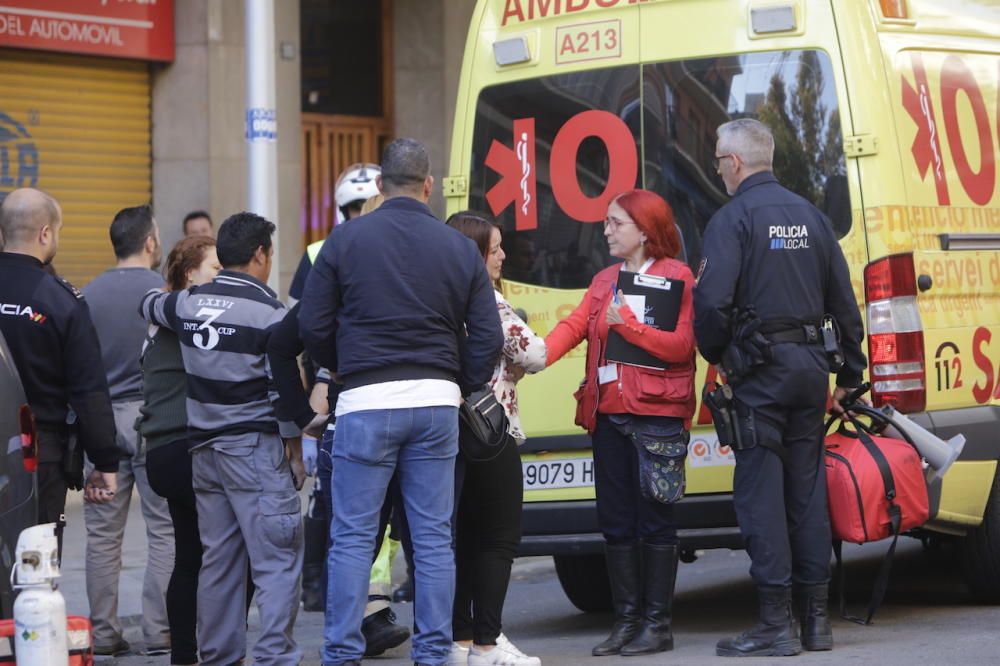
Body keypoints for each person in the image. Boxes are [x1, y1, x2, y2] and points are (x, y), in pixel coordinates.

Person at [299, 138, 504, 666]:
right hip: (436, 402)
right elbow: (487, 334)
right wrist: (459, 380)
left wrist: (340, 368)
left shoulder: (344, 241)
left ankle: (341, 654)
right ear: (429, 185)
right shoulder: (458, 247)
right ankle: (434, 655)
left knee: (351, 537)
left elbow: (312, 325)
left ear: (381, 186)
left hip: (365, 401)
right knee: (434, 539)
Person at [692, 118, 865, 657]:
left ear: (736, 163)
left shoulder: (733, 218)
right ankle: (816, 624)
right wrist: (850, 377)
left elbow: (711, 304)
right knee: (806, 497)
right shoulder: (811, 217)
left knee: (760, 499)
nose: (718, 167)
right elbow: (844, 302)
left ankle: (773, 625)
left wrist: (721, 355)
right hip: (809, 373)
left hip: (759, 379)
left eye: (719, 159)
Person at [141, 212, 307, 666]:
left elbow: (149, 304)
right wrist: (294, 449)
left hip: (204, 455)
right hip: (253, 453)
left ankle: (219, 658)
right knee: (276, 560)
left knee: (219, 563)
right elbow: (282, 389)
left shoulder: (189, 304)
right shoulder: (272, 316)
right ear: (260, 255)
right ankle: (274, 658)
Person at [545, 189, 696, 657]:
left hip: (657, 416)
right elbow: (574, 327)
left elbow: (681, 348)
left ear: (645, 231)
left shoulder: (679, 278)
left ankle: (657, 624)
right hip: (608, 414)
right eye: (607, 223)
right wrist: (532, 355)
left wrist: (627, 324)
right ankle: (627, 622)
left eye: (615, 223)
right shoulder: (604, 279)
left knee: (655, 519)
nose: (606, 230)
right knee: (615, 521)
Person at [445, 211, 546, 666]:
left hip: (445, 429)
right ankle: (489, 641)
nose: (503, 256)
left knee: (460, 538)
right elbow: (535, 352)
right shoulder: (489, 300)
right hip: (489, 430)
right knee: (499, 538)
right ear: (475, 254)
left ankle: (461, 639)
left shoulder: (437, 297)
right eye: (495, 249)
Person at [80, 205, 174, 657]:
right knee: (165, 528)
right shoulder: (163, 291)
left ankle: (102, 634)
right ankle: (158, 632)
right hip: (155, 421)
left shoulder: (87, 295)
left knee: (101, 535)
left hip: (102, 421)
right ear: (150, 242)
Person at [0, 188, 120, 532]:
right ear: (45, 233)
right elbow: (88, 388)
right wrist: (105, 460)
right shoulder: (60, 300)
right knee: (38, 554)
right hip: (39, 453)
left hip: (36, 450)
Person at [140, 235, 221, 666]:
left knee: (190, 554)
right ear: (190, 273)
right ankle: (223, 648)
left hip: (164, 453)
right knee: (232, 554)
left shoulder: (163, 312)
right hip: (188, 449)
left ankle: (186, 657)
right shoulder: (186, 312)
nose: (223, 278)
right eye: (215, 269)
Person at [288, 162, 380, 304]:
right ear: (343, 211)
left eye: (370, 206)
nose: (363, 213)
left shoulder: (401, 248)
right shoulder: (316, 252)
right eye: (356, 207)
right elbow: (296, 309)